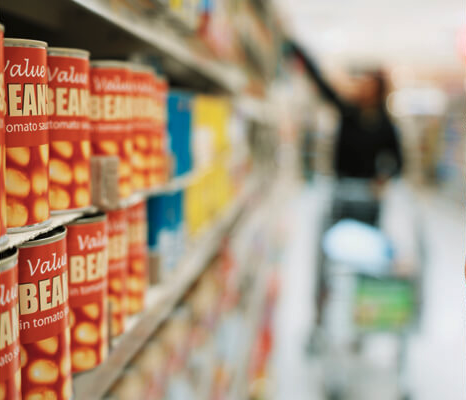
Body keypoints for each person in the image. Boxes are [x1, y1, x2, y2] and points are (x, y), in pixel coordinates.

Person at [288, 41, 403, 181]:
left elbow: (399, 162)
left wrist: (384, 176)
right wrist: (298, 50)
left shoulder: (385, 125)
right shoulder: (349, 111)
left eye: (369, 86)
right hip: (341, 184)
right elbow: (323, 86)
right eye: (363, 84)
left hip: (368, 190)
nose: (363, 88)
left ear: (378, 92)